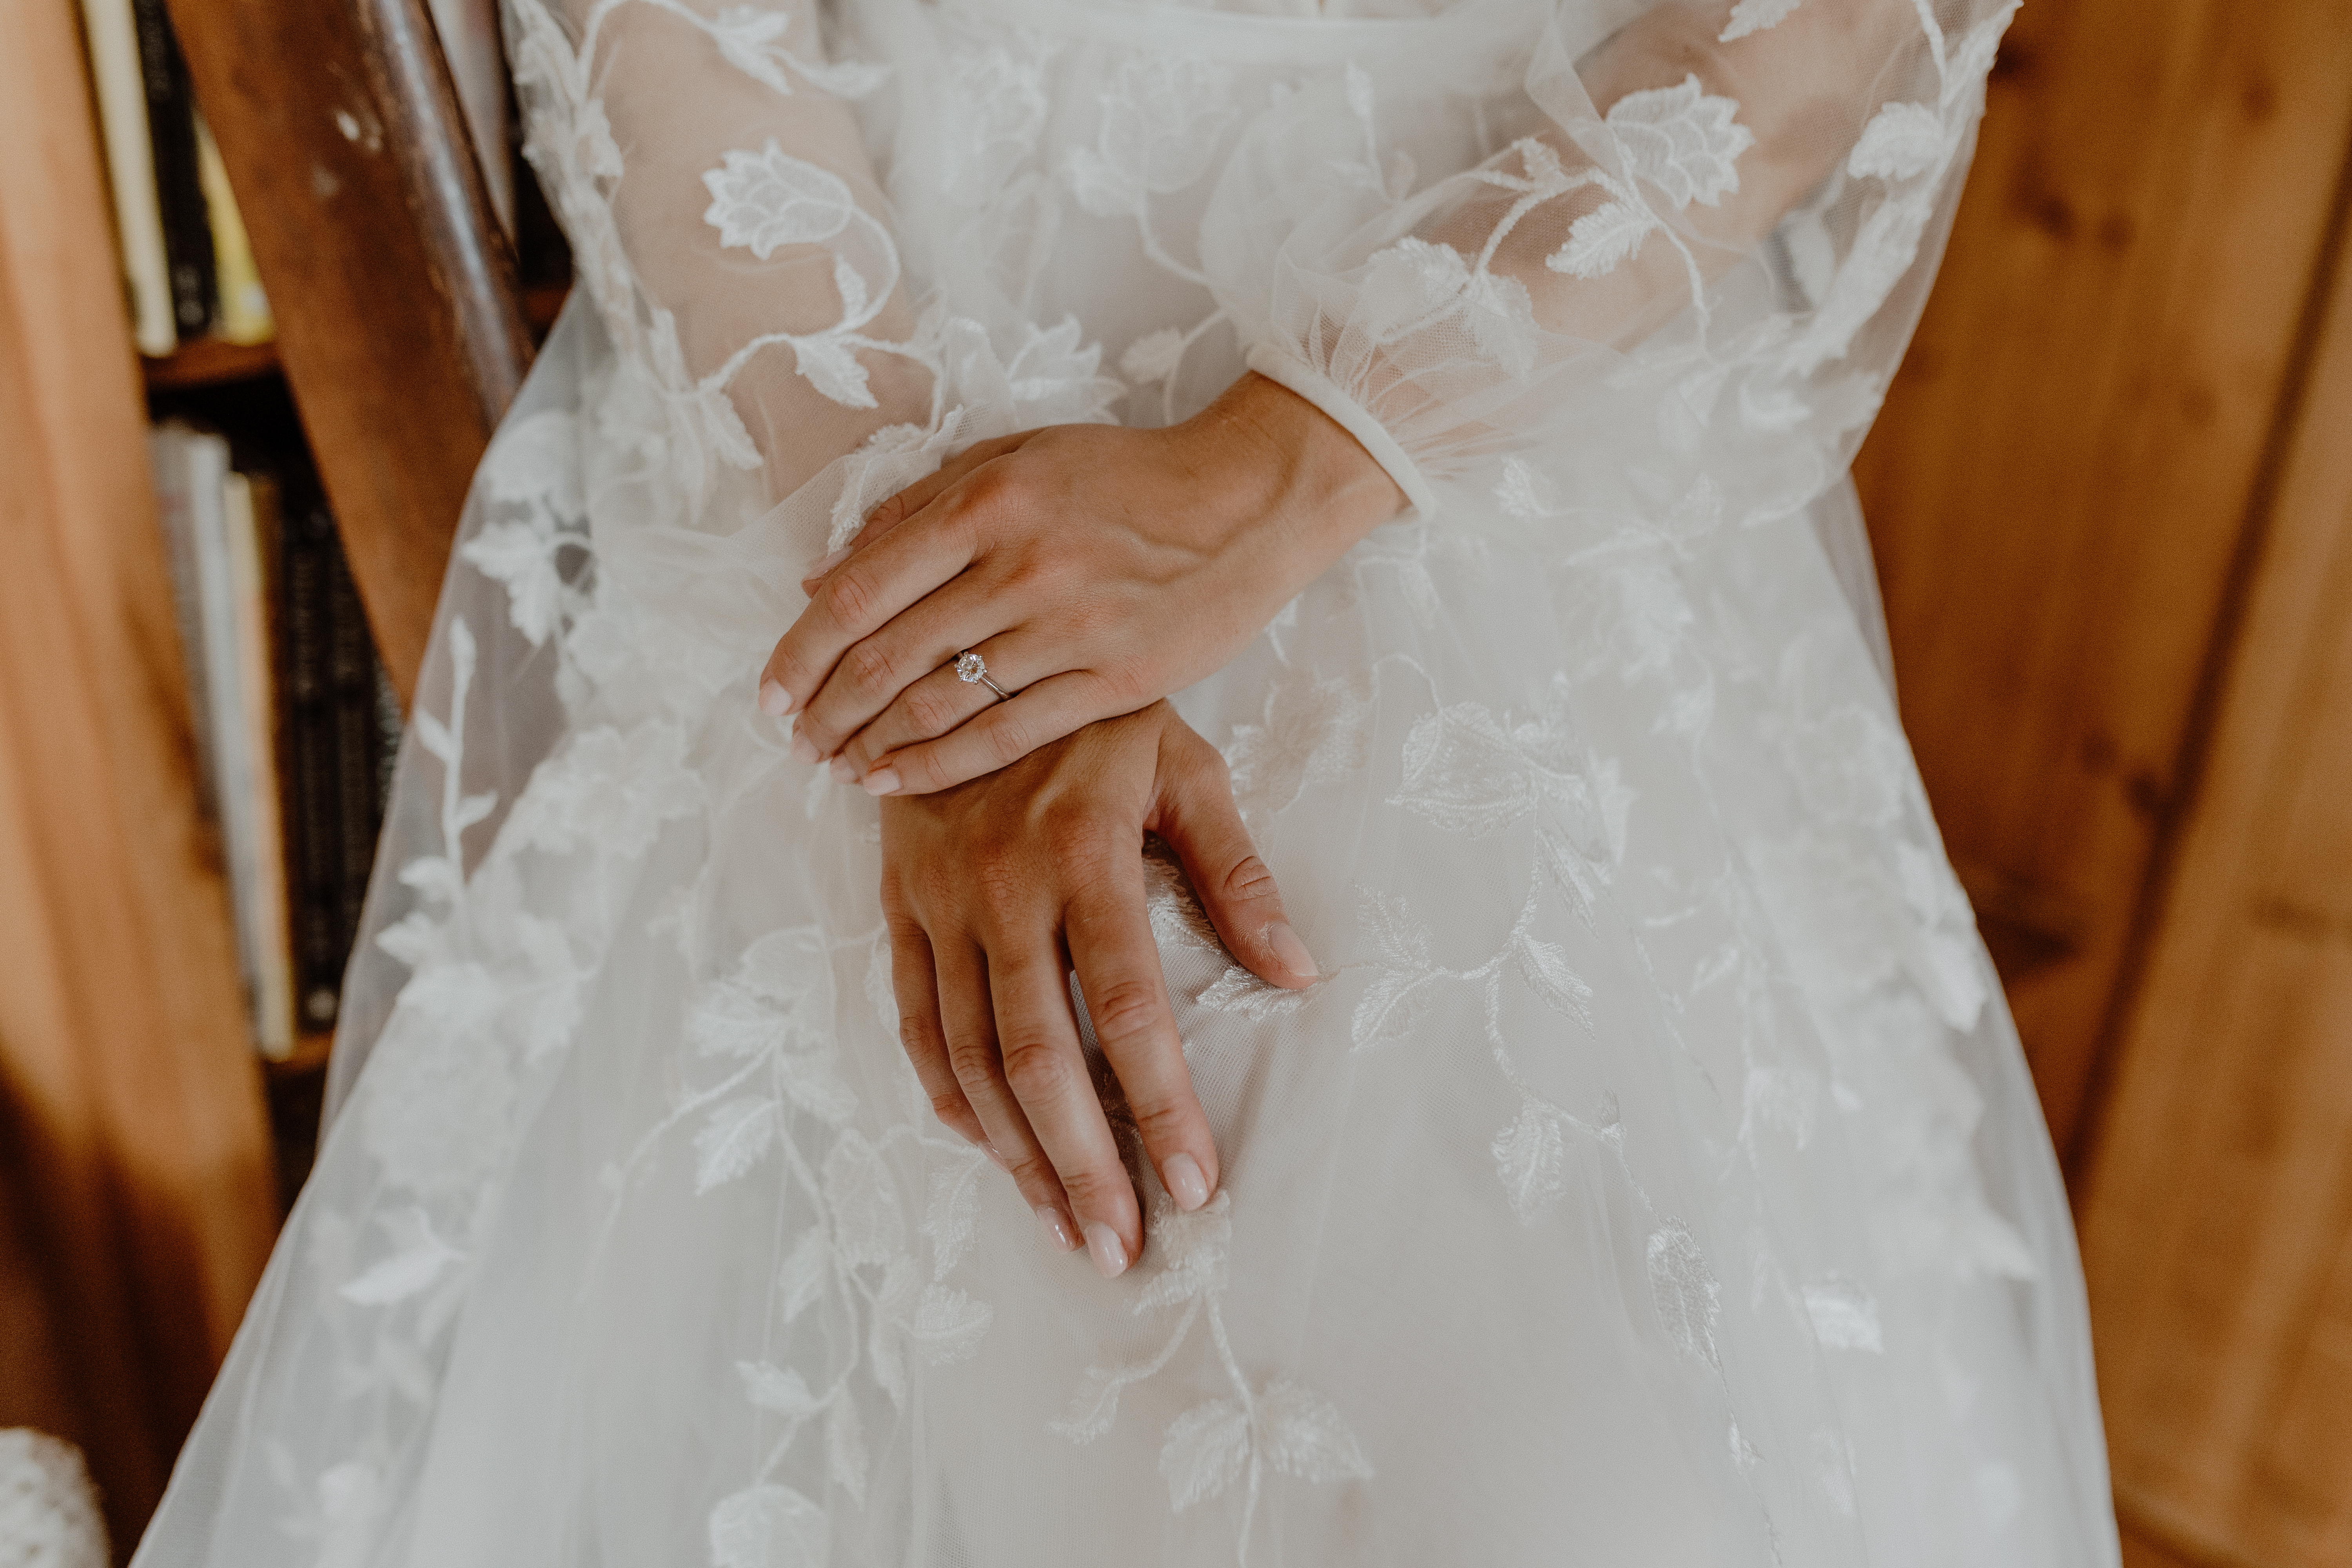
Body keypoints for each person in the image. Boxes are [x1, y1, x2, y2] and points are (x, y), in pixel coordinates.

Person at [135, 0, 2122, 1562]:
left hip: (1511, 390)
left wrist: (1300, 455)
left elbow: (1820, 26)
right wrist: (952, 647)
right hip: (873, 380)